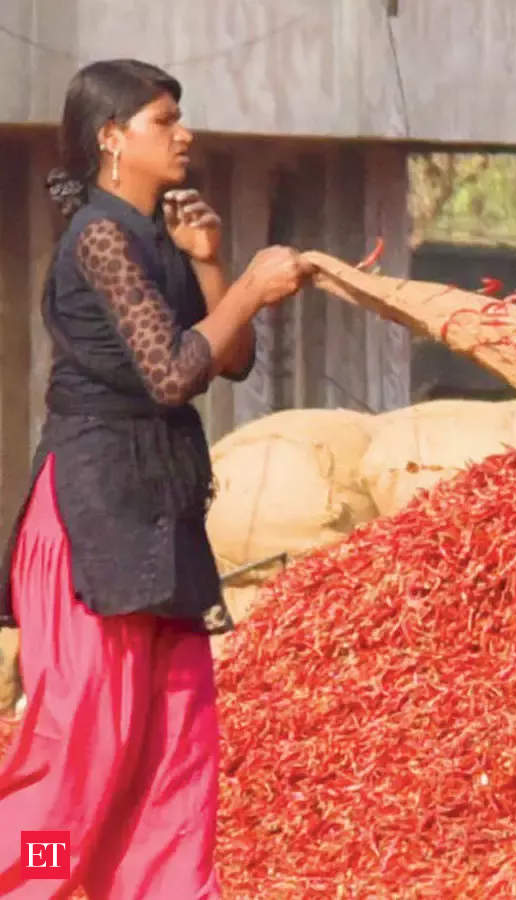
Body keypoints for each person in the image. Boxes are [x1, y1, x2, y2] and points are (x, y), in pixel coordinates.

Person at [0, 59, 313, 898]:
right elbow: (172, 373)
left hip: (159, 515)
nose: (185, 133)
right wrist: (249, 287)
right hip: (93, 518)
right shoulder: (99, 238)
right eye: (163, 119)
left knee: (174, 749)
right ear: (112, 138)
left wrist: (213, 266)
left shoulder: (159, 241)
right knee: (83, 755)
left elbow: (231, 359)